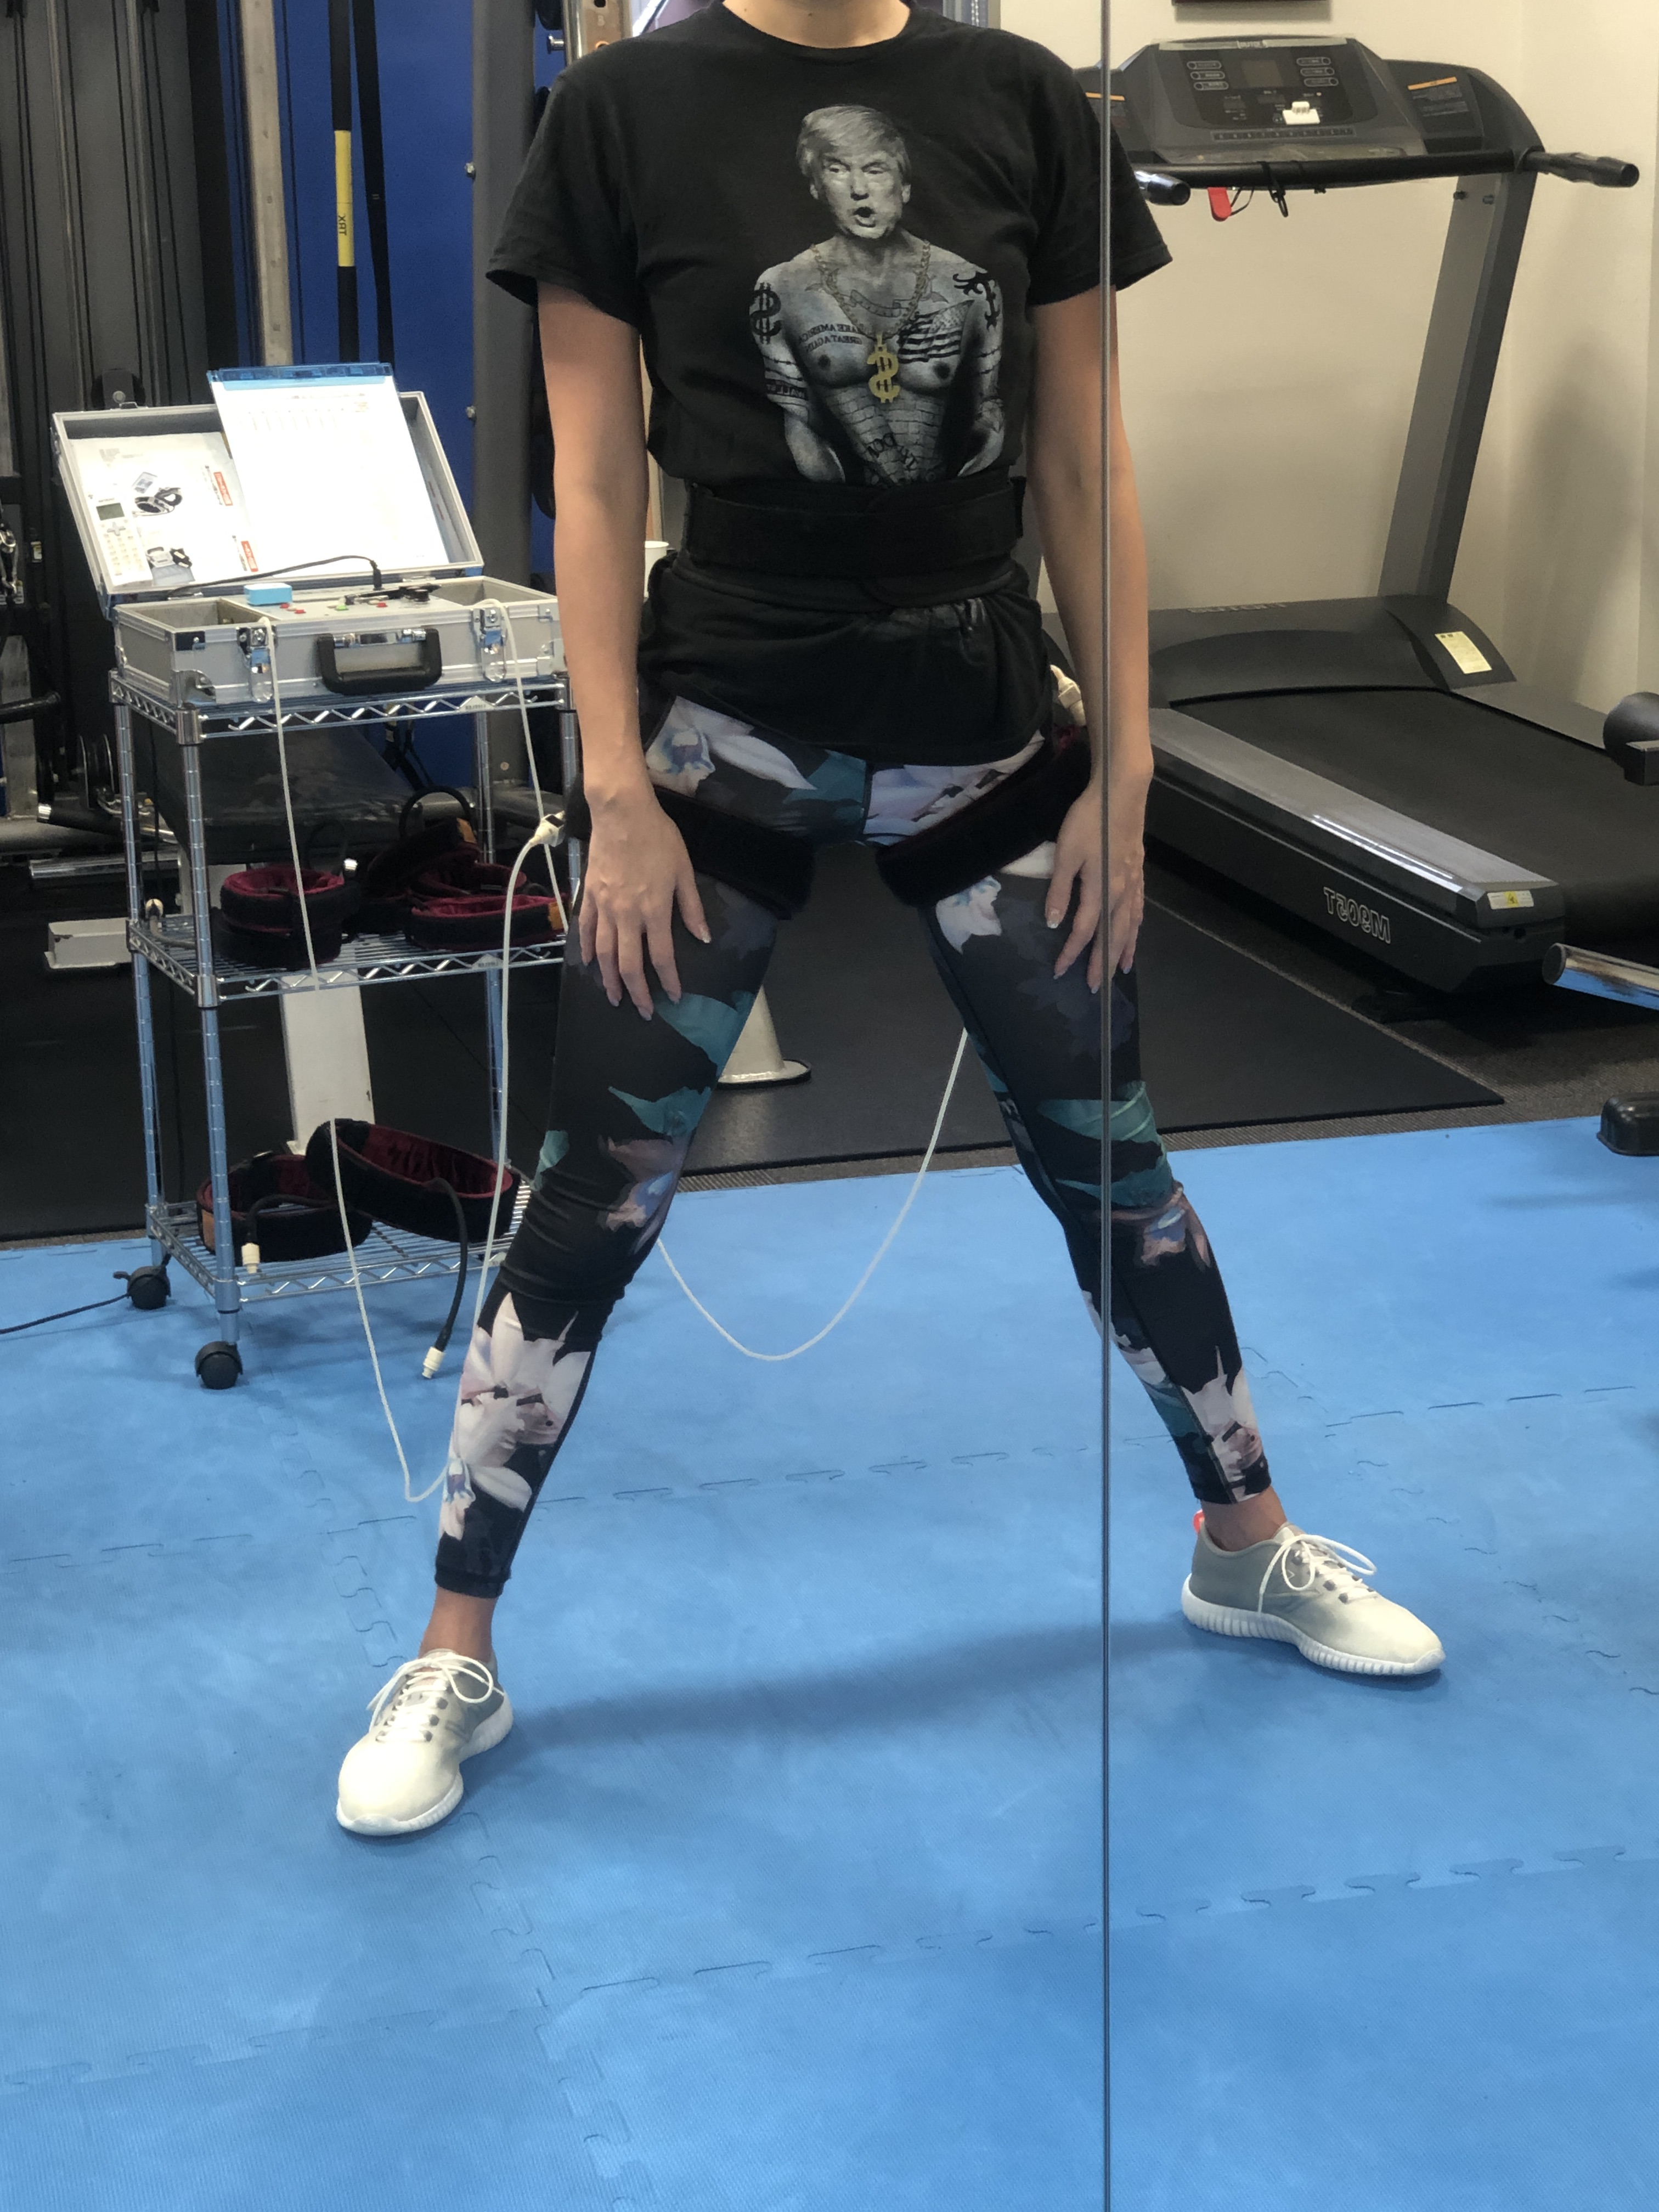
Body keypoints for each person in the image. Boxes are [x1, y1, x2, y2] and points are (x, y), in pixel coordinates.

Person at [336, 0, 1443, 1838]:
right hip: (718, 738)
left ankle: (1245, 1543)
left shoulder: (1022, 102)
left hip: (986, 729)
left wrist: (1129, 769)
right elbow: (593, 481)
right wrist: (610, 793)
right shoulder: (621, 110)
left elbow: (1084, 462)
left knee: (1114, 1161)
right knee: (599, 1192)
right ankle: (457, 1648)